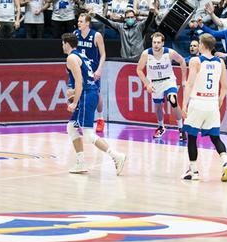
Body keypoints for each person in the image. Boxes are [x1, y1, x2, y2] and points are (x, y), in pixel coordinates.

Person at [62, 33, 126, 174]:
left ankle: (116, 156)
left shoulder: (71, 58)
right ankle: (81, 162)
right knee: (71, 127)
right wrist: (73, 92)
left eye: (62, 43)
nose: (62, 46)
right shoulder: (81, 55)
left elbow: (80, 82)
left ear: (67, 43)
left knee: (88, 134)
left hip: (87, 95)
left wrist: (74, 102)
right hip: (91, 92)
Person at [182, 33, 227, 182]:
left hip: (198, 101)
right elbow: (225, 87)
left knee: (191, 137)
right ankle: (226, 162)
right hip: (212, 103)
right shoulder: (220, 62)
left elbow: (189, 84)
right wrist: (220, 99)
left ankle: (194, 171)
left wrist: (184, 104)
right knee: (215, 137)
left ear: (202, 45)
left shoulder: (195, 60)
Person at [136, 32, 188, 141]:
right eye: (154, 42)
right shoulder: (146, 54)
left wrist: (184, 80)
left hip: (168, 81)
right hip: (155, 83)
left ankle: (181, 128)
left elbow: (182, 61)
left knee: (173, 100)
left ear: (163, 43)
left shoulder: (170, 53)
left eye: (158, 42)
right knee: (158, 106)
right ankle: (161, 126)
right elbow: (139, 70)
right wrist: (147, 84)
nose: (156, 45)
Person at [75, 13, 106, 133]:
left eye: (81, 21)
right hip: (80, 69)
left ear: (87, 23)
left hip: (93, 70)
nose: (78, 23)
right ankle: (80, 120)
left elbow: (103, 54)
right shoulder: (75, 34)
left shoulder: (96, 35)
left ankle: (100, 119)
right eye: (78, 21)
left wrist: (99, 70)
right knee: (78, 93)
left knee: (96, 94)